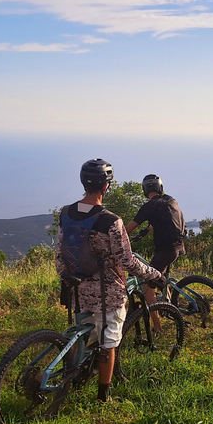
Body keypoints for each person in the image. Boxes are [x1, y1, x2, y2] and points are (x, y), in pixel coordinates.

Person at [55, 159, 165, 403]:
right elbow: (127, 261)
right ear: (106, 187)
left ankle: (71, 374)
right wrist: (154, 274)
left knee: (80, 333)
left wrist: (65, 276)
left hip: (75, 287)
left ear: (84, 183)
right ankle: (104, 396)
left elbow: (60, 252)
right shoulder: (111, 220)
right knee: (108, 343)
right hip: (107, 293)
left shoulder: (66, 213)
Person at [125, 174, 186, 331]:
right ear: (160, 188)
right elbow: (169, 220)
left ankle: (157, 327)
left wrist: (114, 239)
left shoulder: (149, 206)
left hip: (166, 250)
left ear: (145, 190)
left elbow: (127, 230)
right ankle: (168, 304)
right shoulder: (171, 200)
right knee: (158, 274)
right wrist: (148, 230)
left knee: (147, 284)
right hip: (179, 246)